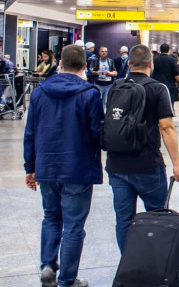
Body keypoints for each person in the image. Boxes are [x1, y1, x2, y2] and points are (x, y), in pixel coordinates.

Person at [23, 45, 103, 287]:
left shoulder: (39, 92)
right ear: (85, 66)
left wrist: (30, 167)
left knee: (51, 217)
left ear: (60, 63)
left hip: (46, 166)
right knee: (74, 226)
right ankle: (67, 279)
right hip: (78, 168)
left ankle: (48, 265)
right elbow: (96, 133)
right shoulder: (90, 93)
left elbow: (30, 133)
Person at [106, 45, 179, 252]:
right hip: (147, 163)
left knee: (123, 219)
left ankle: (128, 266)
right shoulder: (158, 88)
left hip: (117, 164)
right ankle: (153, 266)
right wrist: (177, 164)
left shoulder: (116, 86)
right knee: (156, 215)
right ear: (150, 64)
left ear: (129, 63)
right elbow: (166, 128)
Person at [151, 44, 179, 111]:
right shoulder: (172, 60)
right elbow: (176, 74)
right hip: (169, 86)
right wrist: (178, 83)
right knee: (169, 103)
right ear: (168, 50)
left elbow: (151, 72)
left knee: (157, 102)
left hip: (156, 86)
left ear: (160, 50)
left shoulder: (154, 59)